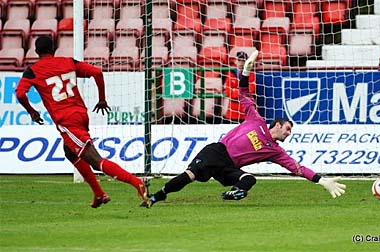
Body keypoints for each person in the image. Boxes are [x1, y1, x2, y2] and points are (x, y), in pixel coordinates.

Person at [147, 50, 346, 207]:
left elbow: (297, 168)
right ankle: (158, 196)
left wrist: (321, 181)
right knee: (189, 176)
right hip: (217, 152)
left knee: (249, 179)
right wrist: (245, 72)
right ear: (277, 125)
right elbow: (243, 93)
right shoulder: (256, 120)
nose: (288, 133)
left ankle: (235, 193)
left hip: (228, 166)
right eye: (287, 129)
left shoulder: (274, 151)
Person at [15, 36, 150, 208]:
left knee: (96, 160)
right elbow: (97, 72)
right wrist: (102, 99)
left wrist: (32, 112)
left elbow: (20, 94)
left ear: (36, 51)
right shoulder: (68, 61)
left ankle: (136, 182)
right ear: (54, 48)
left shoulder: (33, 71)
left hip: (66, 120)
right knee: (69, 151)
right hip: (81, 114)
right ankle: (99, 194)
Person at [223, 51, 256, 123]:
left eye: (243, 61)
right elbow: (228, 92)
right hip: (233, 112)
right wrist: (242, 92)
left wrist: (235, 90)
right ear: (235, 61)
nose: (241, 63)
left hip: (246, 112)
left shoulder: (251, 74)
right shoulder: (230, 74)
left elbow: (251, 90)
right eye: (239, 60)